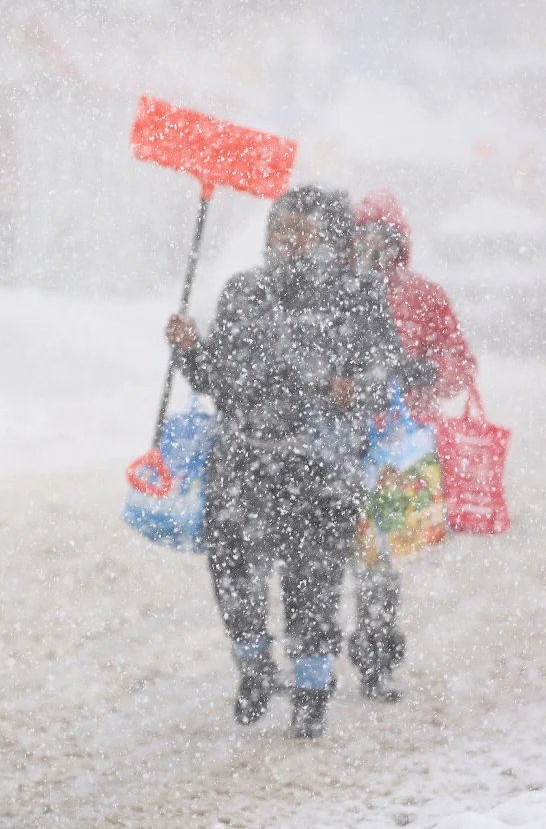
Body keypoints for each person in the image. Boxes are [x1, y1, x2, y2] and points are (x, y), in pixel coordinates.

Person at [165, 186, 404, 738]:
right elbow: (217, 382)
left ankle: (313, 689)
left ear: (331, 238)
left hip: (320, 469)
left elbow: (382, 372)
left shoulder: (358, 295)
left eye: (303, 230)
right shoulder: (244, 291)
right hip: (242, 460)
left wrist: (357, 389)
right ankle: (253, 667)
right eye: (280, 229)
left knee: (312, 584)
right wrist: (188, 350)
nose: (288, 241)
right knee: (234, 577)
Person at [346, 189, 477, 702]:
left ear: (398, 242)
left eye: (380, 237)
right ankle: (334, 646)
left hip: (402, 447)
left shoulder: (424, 297)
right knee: (340, 553)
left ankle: (377, 645)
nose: (369, 248)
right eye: (360, 237)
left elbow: (459, 361)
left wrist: (427, 371)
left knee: (384, 552)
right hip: (344, 439)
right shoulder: (335, 294)